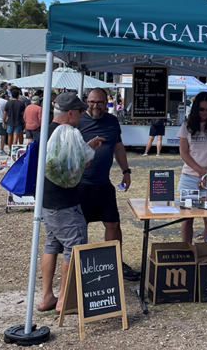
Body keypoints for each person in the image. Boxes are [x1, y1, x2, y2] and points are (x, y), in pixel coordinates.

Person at [38, 92, 103, 313]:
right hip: (65, 202)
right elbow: (75, 168)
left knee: (52, 245)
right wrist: (89, 151)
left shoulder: (45, 130)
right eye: (80, 110)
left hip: (46, 200)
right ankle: (65, 299)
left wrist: (87, 147)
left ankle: (47, 296)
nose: (82, 114)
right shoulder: (68, 133)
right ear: (70, 113)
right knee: (73, 246)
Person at [78, 88, 139, 281]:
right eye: (92, 102)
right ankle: (79, 266)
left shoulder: (112, 122)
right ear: (86, 101)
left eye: (100, 102)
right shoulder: (77, 121)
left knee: (113, 223)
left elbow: (118, 147)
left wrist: (126, 171)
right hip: (81, 184)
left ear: (107, 102)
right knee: (80, 227)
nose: (95, 106)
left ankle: (114, 262)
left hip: (103, 183)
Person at [177, 92, 207, 243]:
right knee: (187, 217)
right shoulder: (186, 126)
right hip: (189, 177)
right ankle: (186, 250)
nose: (205, 113)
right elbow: (184, 153)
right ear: (195, 109)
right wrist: (201, 172)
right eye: (201, 109)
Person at [3, 87, 27, 152]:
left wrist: (3, 121)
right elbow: (23, 113)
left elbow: (5, 113)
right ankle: (14, 151)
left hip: (9, 122)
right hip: (18, 121)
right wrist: (24, 121)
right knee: (15, 137)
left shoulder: (8, 103)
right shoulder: (21, 103)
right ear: (18, 95)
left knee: (9, 136)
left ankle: (10, 150)